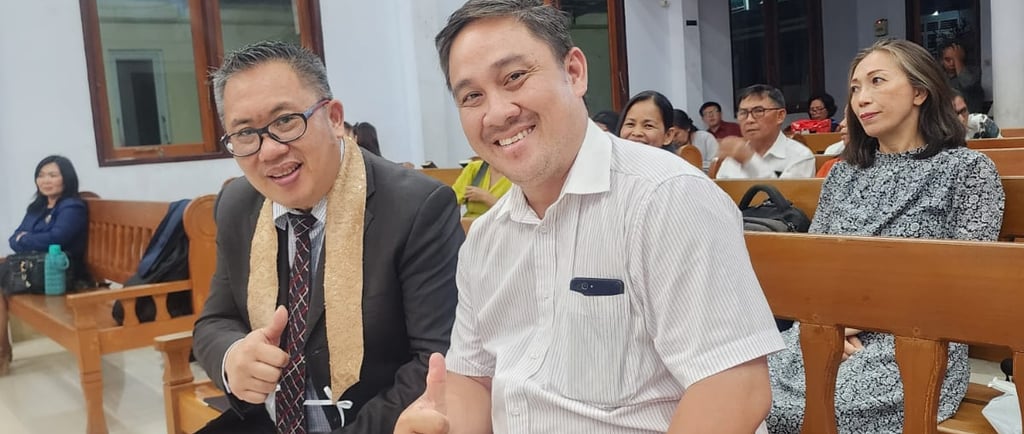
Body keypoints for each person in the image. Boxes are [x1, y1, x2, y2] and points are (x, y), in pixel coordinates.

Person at [395, 1, 785, 433]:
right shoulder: (486, 238)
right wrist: (442, 425)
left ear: (574, 72)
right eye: (472, 96)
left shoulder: (667, 198)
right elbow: (475, 379)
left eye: (514, 77)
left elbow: (734, 387)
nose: (498, 112)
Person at [192, 41, 463, 434]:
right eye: (246, 133)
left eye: (286, 121)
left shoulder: (417, 207)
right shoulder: (238, 203)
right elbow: (215, 320)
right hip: (267, 420)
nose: (269, 151)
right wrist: (232, 357)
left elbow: (434, 359)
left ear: (334, 117)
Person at [767, 39, 1005, 434]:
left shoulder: (967, 170)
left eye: (877, 81)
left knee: (804, 409)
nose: (862, 98)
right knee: (744, 390)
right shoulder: (843, 173)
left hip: (917, 346)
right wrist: (832, 326)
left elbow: (966, 287)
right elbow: (815, 268)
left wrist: (855, 320)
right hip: (827, 332)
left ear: (919, 91)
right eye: (855, 88)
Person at [0, 155, 88, 376]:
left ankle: (2, 353)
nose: (45, 180)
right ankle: (2, 351)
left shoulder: (72, 207)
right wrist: (29, 239)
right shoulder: (37, 207)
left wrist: (26, 239)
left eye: (52, 175)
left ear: (66, 179)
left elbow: (56, 239)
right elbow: (13, 239)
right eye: (41, 175)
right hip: (35, 269)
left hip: (62, 273)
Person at [715, 84, 815, 179]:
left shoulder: (801, 156)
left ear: (780, 116)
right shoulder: (732, 158)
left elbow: (781, 192)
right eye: (743, 113)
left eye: (758, 111)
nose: (749, 120)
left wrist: (749, 160)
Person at [940, 41, 985, 114]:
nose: (952, 63)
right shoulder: (940, 77)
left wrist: (957, 60)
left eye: (955, 59)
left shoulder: (974, 72)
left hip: (969, 116)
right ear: (941, 60)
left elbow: (967, 83)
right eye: (948, 59)